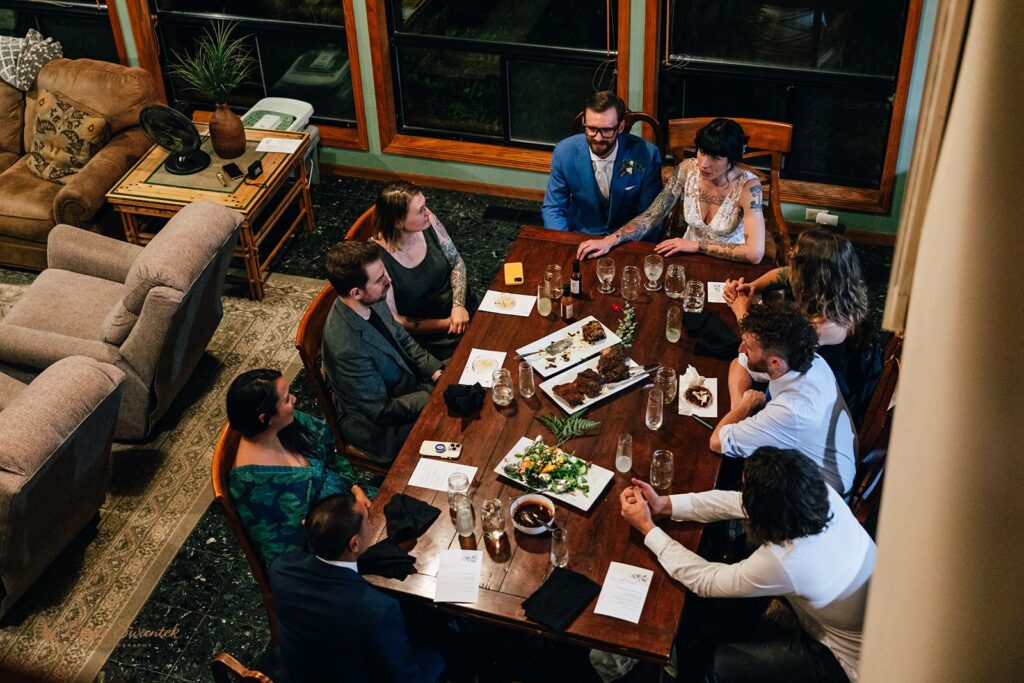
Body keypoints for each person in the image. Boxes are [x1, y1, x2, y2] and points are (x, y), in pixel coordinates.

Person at [619, 447, 875, 682]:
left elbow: (705, 581)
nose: (743, 496)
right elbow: (734, 502)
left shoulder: (786, 561)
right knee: (747, 550)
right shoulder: (816, 493)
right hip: (862, 616)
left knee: (719, 665)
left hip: (846, 663)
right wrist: (666, 505)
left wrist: (647, 528)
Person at [269, 492, 446, 683]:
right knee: (441, 650)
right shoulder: (378, 609)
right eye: (368, 521)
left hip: (295, 673)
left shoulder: (281, 568)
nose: (371, 522)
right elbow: (405, 677)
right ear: (354, 543)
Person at [723, 228, 881, 423]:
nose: (789, 256)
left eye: (795, 258)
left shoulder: (823, 325)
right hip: (807, 365)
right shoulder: (841, 289)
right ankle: (739, 411)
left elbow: (761, 345)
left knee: (737, 364)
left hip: (815, 397)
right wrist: (752, 285)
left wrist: (740, 309)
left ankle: (738, 418)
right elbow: (783, 274)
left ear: (809, 275)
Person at [226, 368, 373, 565]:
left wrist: (356, 490)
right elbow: (283, 552)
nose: (294, 400)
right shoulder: (251, 484)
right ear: (264, 418)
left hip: (355, 505)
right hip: (337, 552)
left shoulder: (286, 422)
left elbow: (330, 453)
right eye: (286, 399)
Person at [712, 299, 857, 494]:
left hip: (818, 493)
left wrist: (744, 408)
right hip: (834, 448)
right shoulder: (810, 360)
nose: (741, 349)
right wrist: (740, 417)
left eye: (748, 347)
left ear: (774, 362)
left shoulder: (791, 412)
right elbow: (739, 365)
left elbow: (717, 442)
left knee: (724, 476)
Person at [577, 117, 765, 264]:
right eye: (701, 151)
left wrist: (696, 246)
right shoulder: (686, 169)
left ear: (731, 158)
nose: (704, 163)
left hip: (729, 262)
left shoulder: (749, 187)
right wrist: (609, 241)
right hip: (688, 256)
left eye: (715, 157)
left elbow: (754, 253)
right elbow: (652, 216)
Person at [322, 240, 443, 464]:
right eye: (379, 279)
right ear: (356, 292)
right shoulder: (346, 349)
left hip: (409, 387)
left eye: (384, 272)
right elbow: (382, 411)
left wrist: (438, 374)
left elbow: (404, 340)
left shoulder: (373, 298)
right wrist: (437, 395)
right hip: (384, 428)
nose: (389, 280)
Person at [371, 181, 473, 361]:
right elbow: (395, 319)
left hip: (460, 310)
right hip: (433, 339)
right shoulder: (377, 260)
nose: (428, 212)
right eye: (420, 210)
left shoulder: (429, 221)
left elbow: (457, 262)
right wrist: (446, 324)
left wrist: (458, 305)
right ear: (398, 222)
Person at [542, 91, 663, 237]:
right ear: (583, 124)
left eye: (606, 130)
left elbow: (650, 216)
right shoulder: (564, 152)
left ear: (620, 127)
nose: (598, 138)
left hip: (626, 238)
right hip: (580, 234)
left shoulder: (647, 155)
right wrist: (565, 242)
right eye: (592, 129)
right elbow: (553, 208)